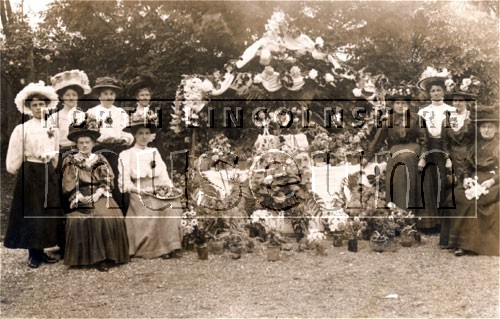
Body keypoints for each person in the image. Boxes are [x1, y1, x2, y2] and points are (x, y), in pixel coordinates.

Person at [4, 81, 62, 268]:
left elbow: (56, 150)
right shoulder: (23, 128)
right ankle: (33, 254)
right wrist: (16, 168)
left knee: (47, 209)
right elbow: (16, 152)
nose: (38, 108)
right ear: (29, 107)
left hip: (47, 171)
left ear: (47, 106)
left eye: (41, 104)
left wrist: (52, 167)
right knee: (33, 211)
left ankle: (43, 249)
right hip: (31, 171)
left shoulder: (52, 127)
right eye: (35, 105)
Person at [61, 119, 130, 271]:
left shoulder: (100, 159)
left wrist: (99, 193)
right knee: (83, 217)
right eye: (81, 143)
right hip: (80, 194)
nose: (84, 145)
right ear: (76, 144)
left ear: (93, 143)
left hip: (100, 194)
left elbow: (107, 179)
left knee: (106, 215)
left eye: (87, 142)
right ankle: (83, 257)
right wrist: (78, 195)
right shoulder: (70, 160)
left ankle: (105, 257)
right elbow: (69, 181)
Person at [118, 118, 183, 259]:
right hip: (139, 190)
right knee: (153, 205)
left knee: (172, 205)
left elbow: (163, 175)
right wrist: (140, 190)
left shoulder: (154, 151)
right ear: (135, 135)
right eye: (140, 133)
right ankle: (155, 249)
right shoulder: (126, 154)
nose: (143, 136)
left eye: (147, 133)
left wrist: (171, 189)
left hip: (157, 188)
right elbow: (124, 182)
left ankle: (171, 246)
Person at [49, 69, 92, 257]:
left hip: (79, 155)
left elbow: (88, 138)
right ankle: (64, 243)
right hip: (61, 156)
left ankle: (82, 240)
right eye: (67, 95)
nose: (71, 98)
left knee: (80, 191)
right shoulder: (54, 116)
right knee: (63, 195)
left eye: (74, 95)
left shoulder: (83, 116)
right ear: (61, 97)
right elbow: (50, 140)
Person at [364, 83, 426, 210]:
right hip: (395, 150)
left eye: (404, 103)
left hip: (413, 149)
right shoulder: (387, 121)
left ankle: (410, 209)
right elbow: (377, 141)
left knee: (406, 157)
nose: (400, 106)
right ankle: (397, 210)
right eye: (397, 103)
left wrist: (423, 158)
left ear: (408, 105)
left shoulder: (416, 118)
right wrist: (366, 158)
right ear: (393, 105)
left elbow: (424, 140)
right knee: (398, 165)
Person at [447, 106, 499, 256]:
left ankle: (466, 244)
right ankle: (454, 241)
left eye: (490, 127)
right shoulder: (475, 145)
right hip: (475, 178)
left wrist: (492, 181)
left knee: (472, 202)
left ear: (496, 129)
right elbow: (466, 166)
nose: (487, 130)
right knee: (456, 195)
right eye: (484, 127)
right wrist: (465, 178)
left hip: (493, 181)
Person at [416, 69, 456, 232]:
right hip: (428, 147)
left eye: (439, 90)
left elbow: (452, 137)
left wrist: (448, 156)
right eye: (433, 90)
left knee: (442, 182)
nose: (436, 93)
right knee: (428, 182)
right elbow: (422, 136)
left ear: (444, 91)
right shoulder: (423, 112)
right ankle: (430, 223)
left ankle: (444, 224)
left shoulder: (451, 110)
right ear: (429, 93)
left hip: (444, 147)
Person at [86, 76, 134, 213]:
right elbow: (88, 134)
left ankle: (121, 213)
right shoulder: (91, 112)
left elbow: (128, 133)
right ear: (99, 95)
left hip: (118, 151)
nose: (108, 96)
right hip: (99, 150)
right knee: (100, 180)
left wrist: (124, 140)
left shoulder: (120, 112)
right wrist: (98, 140)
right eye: (105, 93)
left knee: (118, 180)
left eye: (111, 94)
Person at [439, 83, 477, 248]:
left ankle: (466, 238)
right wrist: (447, 158)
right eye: (455, 100)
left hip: (470, 158)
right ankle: (449, 238)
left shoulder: (473, 118)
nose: (458, 103)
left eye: (461, 100)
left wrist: (472, 158)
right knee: (452, 195)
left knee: (467, 194)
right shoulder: (448, 118)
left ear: (466, 101)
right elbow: (444, 142)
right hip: (453, 158)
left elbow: (477, 140)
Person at [126, 74, 159, 143]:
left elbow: (157, 136)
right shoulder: (132, 114)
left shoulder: (153, 114)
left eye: (147, 95)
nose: (145, 98)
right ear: (137, 97)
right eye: (142, 95)